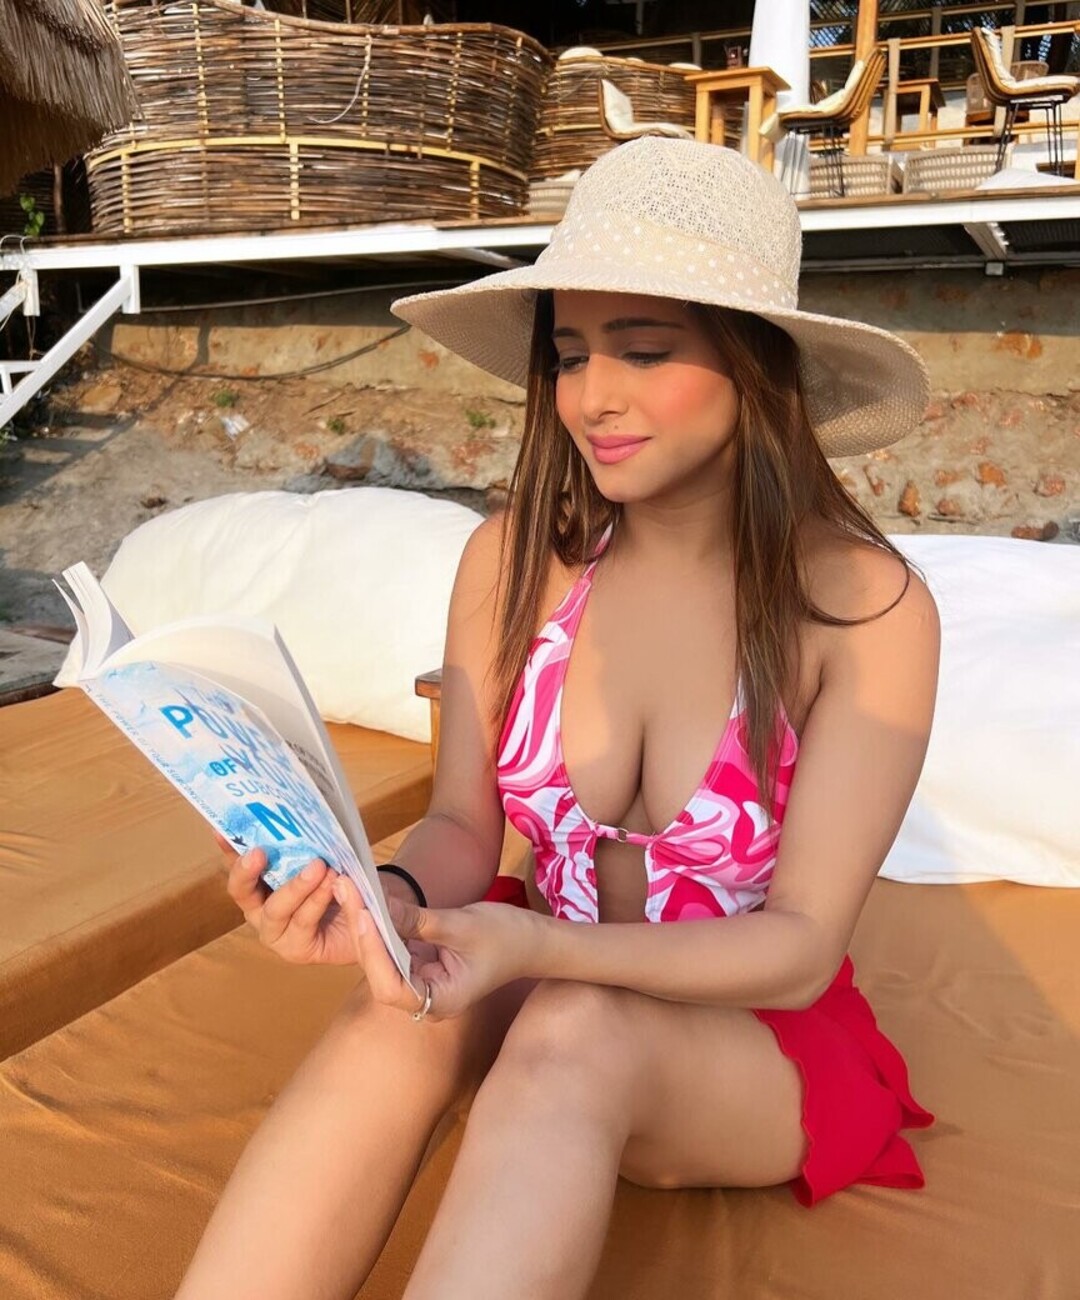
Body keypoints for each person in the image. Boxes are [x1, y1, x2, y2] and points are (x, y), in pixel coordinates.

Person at [175, 138, 939, 1300]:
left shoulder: (864, 608)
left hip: (751, 1039)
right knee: (401, 1007)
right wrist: (387, 896)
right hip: (544, 971)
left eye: (645, 350)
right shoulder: (514, 561)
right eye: (571, 355)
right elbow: (461, 828)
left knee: (574, 1025)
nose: (593, 397)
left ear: (756, 363)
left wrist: (539, 949)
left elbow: (799, 949)